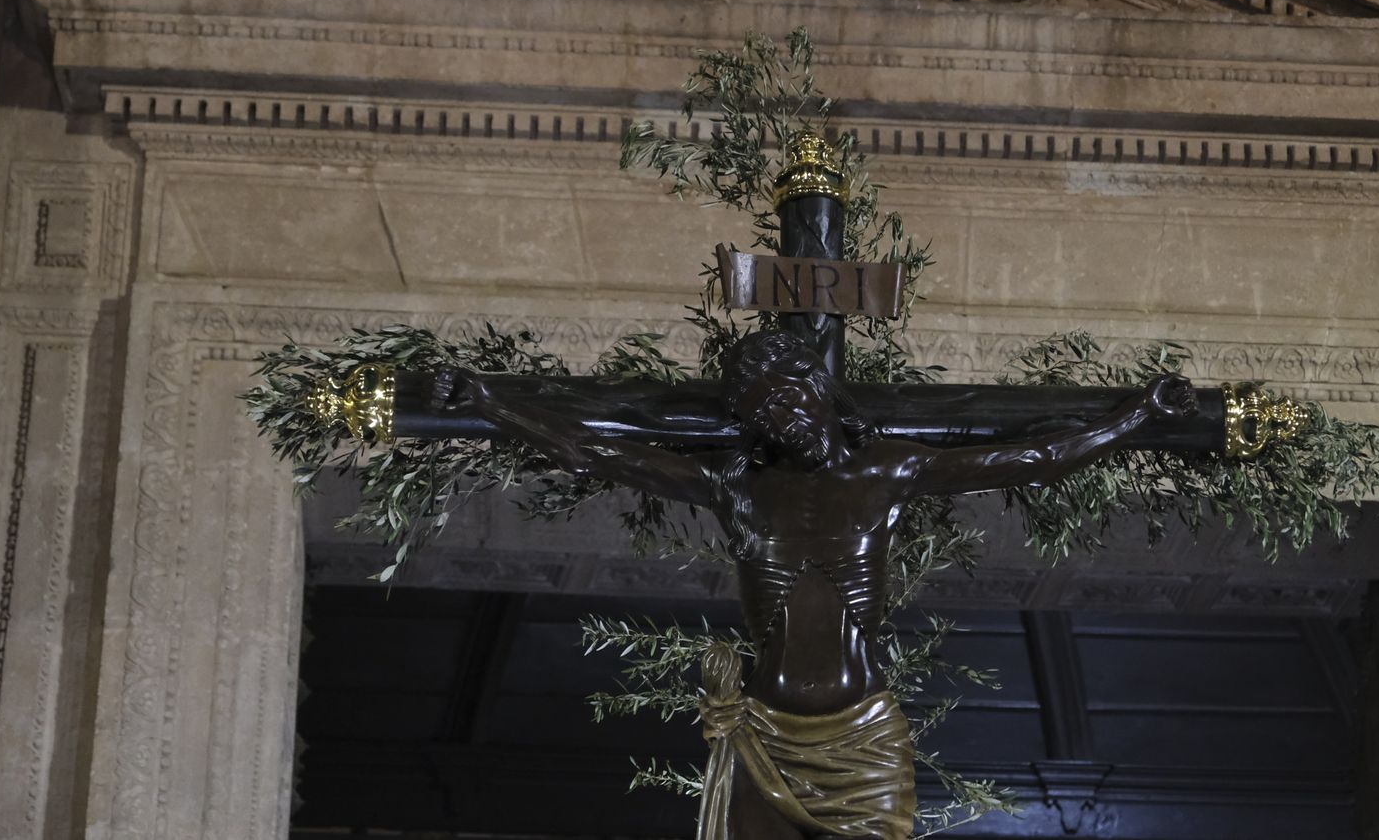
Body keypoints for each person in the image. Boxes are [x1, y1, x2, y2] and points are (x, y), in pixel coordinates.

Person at [431, 330, 1198, 840]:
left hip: (859, 736)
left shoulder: (889, 470)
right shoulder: (738, 486)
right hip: (765, 732)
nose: (777, 417)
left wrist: (1132, 421)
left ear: (818, 389)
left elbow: (1030, 459)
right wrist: (494, 405)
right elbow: (600, 456)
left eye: (786, 395)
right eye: (759, 410)